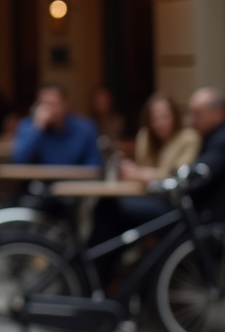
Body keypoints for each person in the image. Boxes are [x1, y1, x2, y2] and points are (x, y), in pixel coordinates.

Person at [90, 88, 225, 284]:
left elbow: (191, 175)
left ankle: (96, 280)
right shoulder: (208, 136)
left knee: (110, 210)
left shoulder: (212, 139)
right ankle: (102, 280)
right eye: (190, 112)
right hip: (180, 207)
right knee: (110, 212)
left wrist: (152, 181)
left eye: (198, 113)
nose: (192, 118)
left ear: (218, 112)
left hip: (194, 215)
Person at [10, 83, 101, 167]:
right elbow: (19, 160)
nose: (48, 109)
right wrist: (37, 128)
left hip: (75, 183)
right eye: (43, 104)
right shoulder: (28, 125)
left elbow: (94, 164)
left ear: (65, 104)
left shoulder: (85, 128)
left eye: (52, 104)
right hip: (40, 183)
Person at [118, 92, 200, 183]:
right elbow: (141, 167)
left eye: (164, 117)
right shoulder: (146, 135)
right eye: (154, 119)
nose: (159, 123)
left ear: (175, 116)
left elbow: (178, 174)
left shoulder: (189, 137)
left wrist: (142, 174)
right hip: (147, 192)